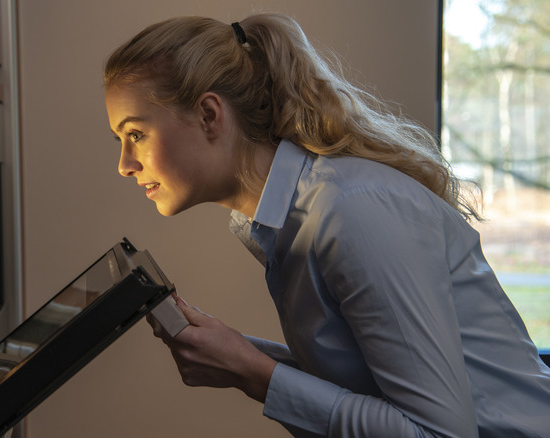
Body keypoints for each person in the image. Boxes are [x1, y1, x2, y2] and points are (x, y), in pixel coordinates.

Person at [103, 12, 550, 438]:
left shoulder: (350, 212)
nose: (124, 165)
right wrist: (243, 354)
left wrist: (252, 372)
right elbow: (370, 391)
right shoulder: (281, 223)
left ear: (209, 115)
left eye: (136, 134)